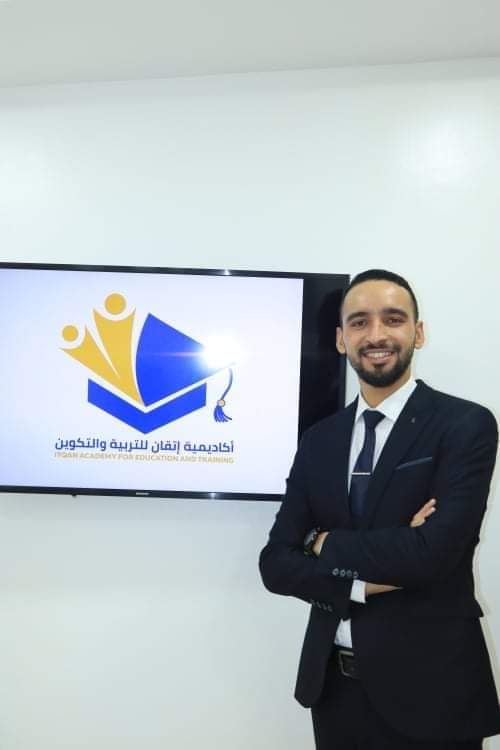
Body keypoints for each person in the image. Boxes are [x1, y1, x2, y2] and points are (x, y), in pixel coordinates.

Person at [259, 269, 500, 749]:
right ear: (341, 339)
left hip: (434, 692)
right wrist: (369, 578)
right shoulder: (319, 439)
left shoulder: (464, 425)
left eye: (393, 319)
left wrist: (323, 543)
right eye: (359, 322)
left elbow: (434, 555)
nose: (376, 335)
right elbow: (275, 564)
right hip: (335, 691)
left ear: (418, 332)